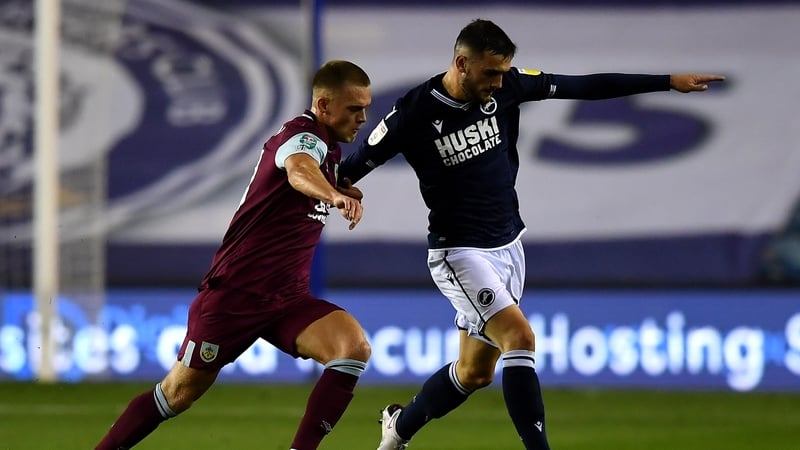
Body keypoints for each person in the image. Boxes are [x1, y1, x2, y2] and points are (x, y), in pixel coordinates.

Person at [337, 19, 724, 450]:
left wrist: (668, 82)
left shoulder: (509, 88)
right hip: (459, 252)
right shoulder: (413, 112)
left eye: (504, 72)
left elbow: (585, 87)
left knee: (474, 373)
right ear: (461, 63)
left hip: (508, 244)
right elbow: (350, 167)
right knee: (519, 339)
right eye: (490, 73)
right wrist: (338, 191)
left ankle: (398, 428)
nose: (499, 82)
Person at [95, 60, 373, 450]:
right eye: (354, 108)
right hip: (236, 295)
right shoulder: (303, 135)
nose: (363, 117)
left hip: (287, 299)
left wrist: (337, 184)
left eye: (365, 108)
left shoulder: (330, 152)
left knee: (352, 348)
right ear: (323, 106)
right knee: (176, 395)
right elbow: (297, 169)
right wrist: (333, 195)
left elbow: (307, 176)